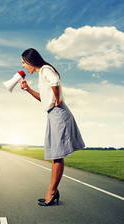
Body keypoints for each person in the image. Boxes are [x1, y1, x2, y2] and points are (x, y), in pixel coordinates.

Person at [20, 48, 85, 206]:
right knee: (56, 154)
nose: (23, 66)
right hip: (52, 114)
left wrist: (57, 99)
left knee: (57, 155)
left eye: (23, 63)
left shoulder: (45, 70)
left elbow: (55, 81)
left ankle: (51, 192)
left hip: (58, 113)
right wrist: (28, 89)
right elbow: (43, 98)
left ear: (30, 61)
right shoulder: (41, 74)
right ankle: (52, 191)